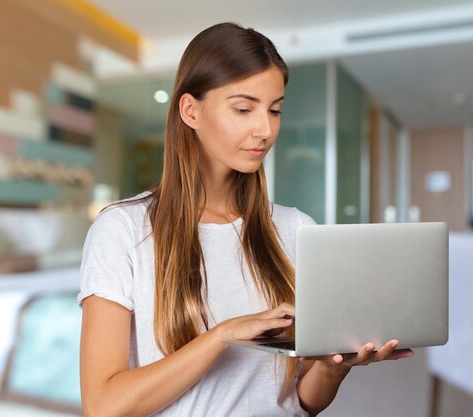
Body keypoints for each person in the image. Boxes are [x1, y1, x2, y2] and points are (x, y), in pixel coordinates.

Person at [78, 22, 413, 417]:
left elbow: (301, 402)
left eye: (275, 110)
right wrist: (222, 336)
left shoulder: (296, 229)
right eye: (243, 108)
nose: (265, 129)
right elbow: (103, 406)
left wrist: (331, 368)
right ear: (190, 110)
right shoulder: (123, 230)